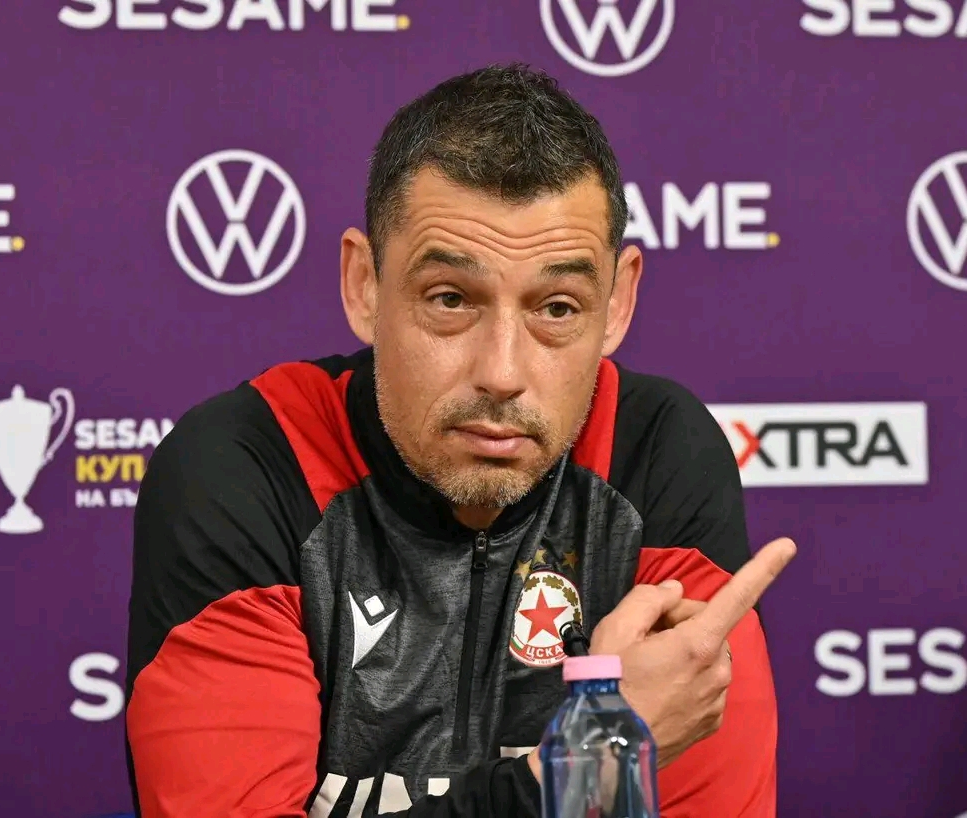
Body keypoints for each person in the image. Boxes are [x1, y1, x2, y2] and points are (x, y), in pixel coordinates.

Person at [125, 64, 797, 818]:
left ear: (618, 302)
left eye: (557, 307)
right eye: (450, 300)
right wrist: (580, 768)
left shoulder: (653, 456)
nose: (502, 373)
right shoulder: (249, 465)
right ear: (364, 284)